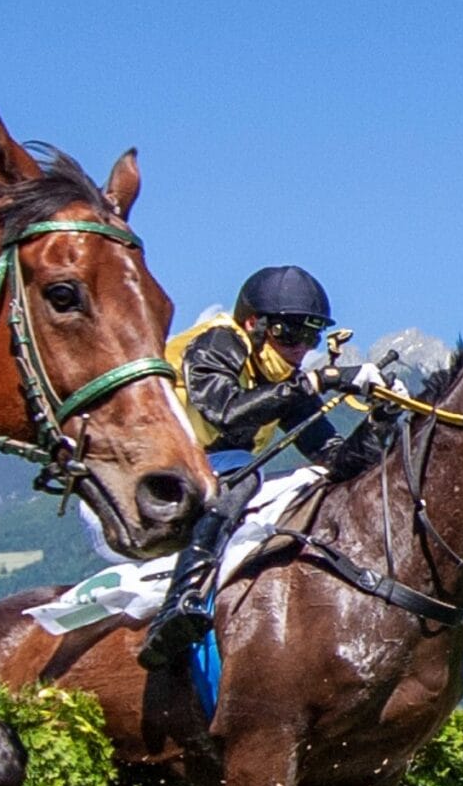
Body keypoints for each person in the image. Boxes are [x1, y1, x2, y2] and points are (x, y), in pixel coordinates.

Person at [138, 265, 384, 666]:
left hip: (197, 485)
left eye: (311, 337)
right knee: (244, 469)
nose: (300, 348)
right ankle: (180, 600)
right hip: (141, 487)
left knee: (311, 481)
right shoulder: (218, 342)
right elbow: (225, 411)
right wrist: (319, 381)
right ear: (253, 324)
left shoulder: (285, 380)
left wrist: (381, 420)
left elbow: (336, 460)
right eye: (289, 334)